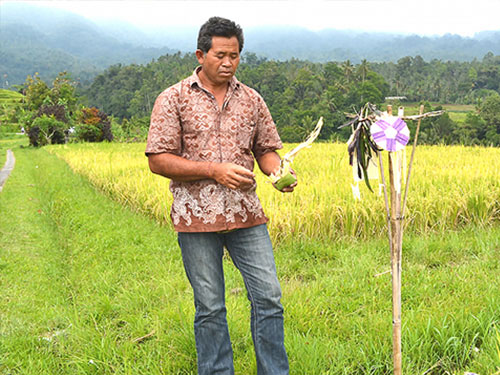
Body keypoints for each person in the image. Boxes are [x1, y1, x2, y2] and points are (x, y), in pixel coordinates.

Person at [145, 16, 295, 375]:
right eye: (220, 55)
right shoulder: (174, 99)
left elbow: (266, 149)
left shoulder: (252, 100)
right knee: (210, 306)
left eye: (235, 55)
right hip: (196, 219)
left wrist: (278, 172)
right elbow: (158, 159)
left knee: (269, 298)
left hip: (246, 215)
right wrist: (213, 170)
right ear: (201, 54)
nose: (228, 63)